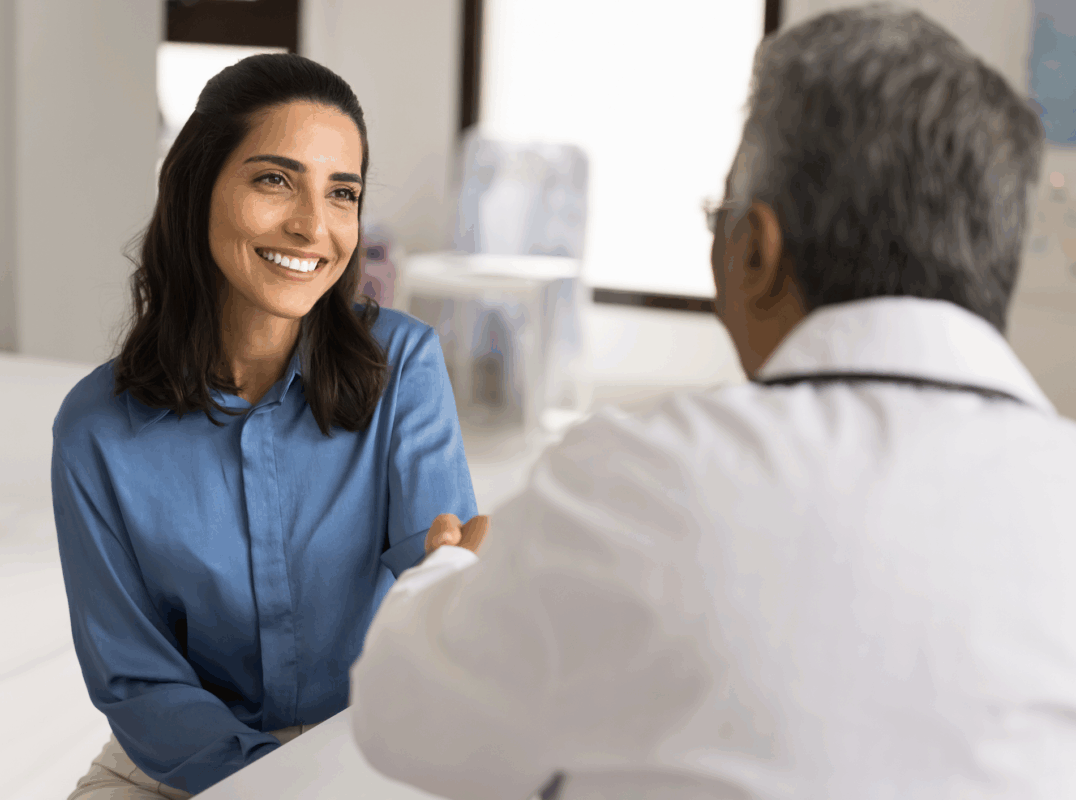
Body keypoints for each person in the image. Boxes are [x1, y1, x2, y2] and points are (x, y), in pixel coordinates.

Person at [349, 6, 1076, 798]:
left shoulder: (640, 477)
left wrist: (448, 567)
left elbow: (398, 714)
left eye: (716, 215)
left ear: (756, 251)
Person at [52, 53, 477, 798]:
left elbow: (435, 571)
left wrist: (464, 573)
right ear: (196, 189)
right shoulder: (97, 431)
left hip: (364, 749)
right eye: (274, 179)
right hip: (180, 766)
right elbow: (139, 681)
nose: (314, 225)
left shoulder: (402, 363)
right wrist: (271, 784)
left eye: (341, 192)